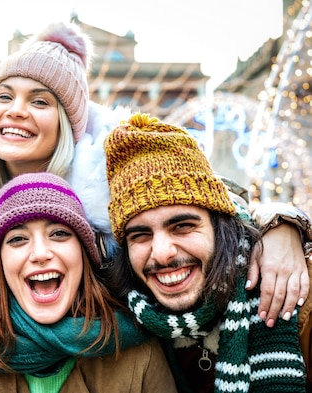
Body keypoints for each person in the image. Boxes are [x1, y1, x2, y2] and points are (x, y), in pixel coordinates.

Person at [0, 20, 311, 328]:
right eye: (3, 96)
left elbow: (220, 204)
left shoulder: (115, 177)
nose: (16, 111)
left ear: (69, 121)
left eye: (40, 102)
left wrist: (281, 225)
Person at [104, 113, 308, 392]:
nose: (162, 253)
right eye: (140, 235)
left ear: (220, 227)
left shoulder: (293, 291)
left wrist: (286, 222)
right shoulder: (120, 322)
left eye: (182, 226)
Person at [0, 172, 176, 392]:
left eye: (59, 234)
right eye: (18, 239)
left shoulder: (136, 350)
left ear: (84, 254)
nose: (41, 253)